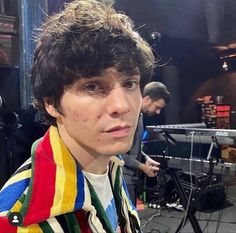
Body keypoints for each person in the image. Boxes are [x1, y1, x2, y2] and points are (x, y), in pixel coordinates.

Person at [0, 0, 155, 232]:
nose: (122, 105)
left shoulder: (109, 166)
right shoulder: (17, 220)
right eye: (92, 86)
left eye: (130, 83)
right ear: (51, 103)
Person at [122, 81, 170, 206]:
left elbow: (132, 148)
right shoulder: (127, 116)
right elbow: (117, 153)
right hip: (123, 178)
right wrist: (143, 167)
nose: (158, 112)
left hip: (131, 177)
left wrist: (145, 158)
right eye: (157, 107)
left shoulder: (140, 116)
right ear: (147, 99)